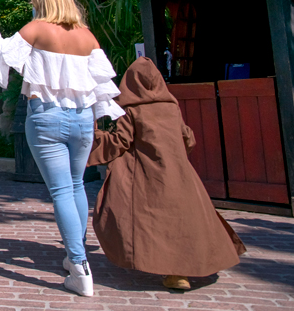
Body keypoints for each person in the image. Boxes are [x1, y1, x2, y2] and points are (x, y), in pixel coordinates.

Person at [0, 0, 125, 297]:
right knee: (76, 185)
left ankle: (81, 268)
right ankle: (74, 254)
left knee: (61, 192)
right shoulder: (87, 36)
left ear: (44, 2)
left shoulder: (37, 29)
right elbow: (100, 83)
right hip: (83, 119)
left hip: (46, 117)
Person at [87, 56, 246, 291]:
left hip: (146, 175)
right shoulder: (171, 106)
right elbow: (187, 138)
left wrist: (92, 136)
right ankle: (184, 269)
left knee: (149, 220)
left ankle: (170, 271)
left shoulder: (131, 110)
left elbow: (120, 142)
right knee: (184, 219)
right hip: (179, 172)